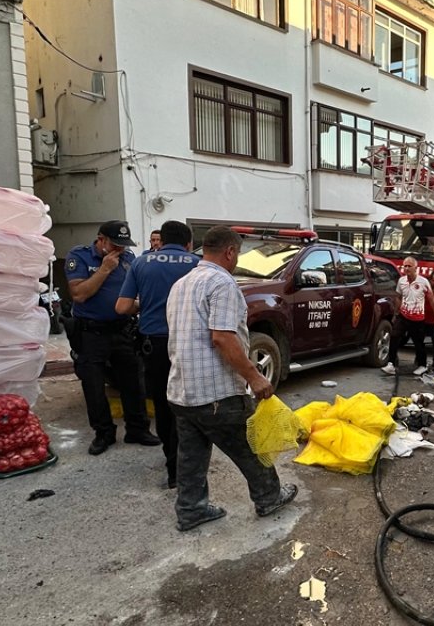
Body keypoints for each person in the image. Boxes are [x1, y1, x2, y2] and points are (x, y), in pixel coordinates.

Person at [166, 226, 297, 531]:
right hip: (217, 393)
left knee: (191, 457)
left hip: (182, 390)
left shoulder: (181, 284)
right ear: (230, 252)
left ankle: (190, 510)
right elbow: (223, 339)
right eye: (237, 254)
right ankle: (269, 496)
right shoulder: (222, 283)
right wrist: (255, 377)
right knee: (249, 446)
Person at [115, 220, 200, 488]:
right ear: (188, 243)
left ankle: (172, 467)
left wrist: (147, 305)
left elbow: (122, 307)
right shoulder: (197, 264)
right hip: (190, 343)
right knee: (190, 403)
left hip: (155, 345)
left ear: (160, 240)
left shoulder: (142, 263)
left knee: (164, 405)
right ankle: (192, 463)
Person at [66, 220, 161, 455]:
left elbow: (133, 295)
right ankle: (104, 433)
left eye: (123, 245)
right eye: (115, 244)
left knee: (133, 381)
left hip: (122, 329)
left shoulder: (129, 260)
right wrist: (105, 269)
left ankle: (137, 429)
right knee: (94, 385)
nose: (120, 249)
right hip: (91, 333)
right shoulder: (80, 257)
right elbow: (79, 294)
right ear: (101, 240)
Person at [381, 256, 434, 376]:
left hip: (417, 318)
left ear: (416, 267)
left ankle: (422, 365)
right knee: (394, 336)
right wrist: (396, 312)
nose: (406, 268)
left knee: (418, 342)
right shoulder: (401, 281)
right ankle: (391, 364)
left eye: (409, 266)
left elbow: (431, 300)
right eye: (405, 266)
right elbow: (399, 297)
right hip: (403, 315)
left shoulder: (423, 282)